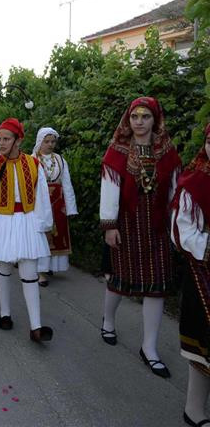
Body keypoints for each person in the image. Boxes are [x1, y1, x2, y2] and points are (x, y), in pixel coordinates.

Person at [99, 97, 181, 377]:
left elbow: (174, 189)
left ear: (154, 120)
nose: (139, 122)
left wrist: (175, 224)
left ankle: (149, 348)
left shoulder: (167, 151)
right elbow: (109, 188)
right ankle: (108, 321)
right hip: (127, 225)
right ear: (128, 119)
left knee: (156, 286)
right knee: (119, 281)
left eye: (145, 117)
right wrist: (109, 225)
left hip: (158, 227)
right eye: (135, 116)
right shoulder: (117, 150)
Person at [0, 118, 55, 343]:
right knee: (3, 269)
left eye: (6, 139)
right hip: (2, 222)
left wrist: (44, 226)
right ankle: (5, 314)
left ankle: (36, 326)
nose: (1, 143)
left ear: (19, 140)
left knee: (29, 273)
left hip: (28, 222)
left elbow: (42, 199)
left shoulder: (33, 164)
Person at [171, 123, 210, 426]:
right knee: (202, 344)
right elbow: (181, 230)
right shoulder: (195, 183)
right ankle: (194, 409)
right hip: (203, 271)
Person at [32, 127, 77, 286]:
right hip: (40, 203)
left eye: (53, 141)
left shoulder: (60, 159)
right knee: (43, 235)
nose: (50, 144)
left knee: (57, 235)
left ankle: (50, 266)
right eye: (47, 141)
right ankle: (41, 272)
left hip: (58, 203)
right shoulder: (32, 160)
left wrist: (71, 208)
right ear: (40, 141)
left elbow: (67, 184)